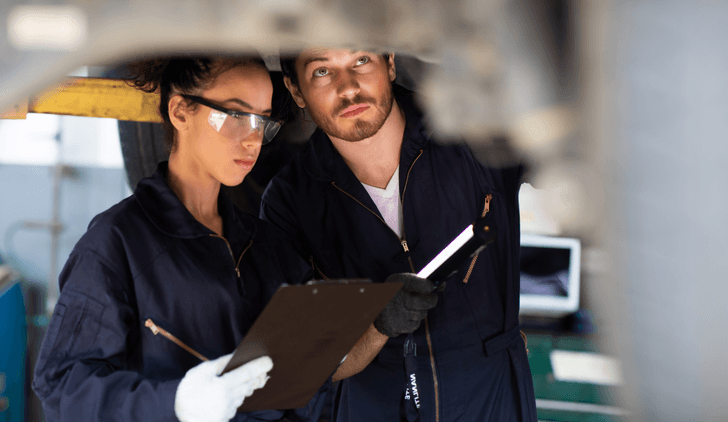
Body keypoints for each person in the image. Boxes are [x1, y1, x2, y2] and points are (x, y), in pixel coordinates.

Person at [32, 55, 319, 422]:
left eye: (262, 120)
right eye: (235, 115)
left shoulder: (265, 245)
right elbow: (61, 389)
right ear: (181, 112)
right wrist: (175, 403)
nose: (253, 139)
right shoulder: (117, 243)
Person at [260, 48, 537, 421]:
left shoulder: (469, 134)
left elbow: (589, 163)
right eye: (322, 71)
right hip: (374, 406)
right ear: (296, 91)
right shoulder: (289, 200)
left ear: (389, 62)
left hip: (491, 398)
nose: (349, 88)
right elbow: (302, 365)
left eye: (361, 61)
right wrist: (378, 325)